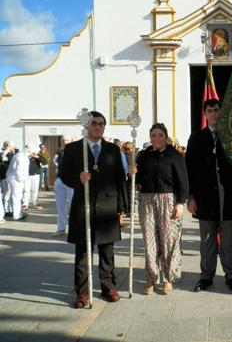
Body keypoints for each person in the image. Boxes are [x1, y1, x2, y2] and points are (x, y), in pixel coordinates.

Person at [60, 111, 128, 308]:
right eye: (94, 123)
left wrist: (122, 208)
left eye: (101, 124)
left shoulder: (113, 149)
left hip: (108, 207)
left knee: (107, 251)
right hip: (83, 206)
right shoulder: (73, 149)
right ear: (87, 125)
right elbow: (64, 175)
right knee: (83, 252)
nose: (98, 126)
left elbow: (119, 179)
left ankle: (108, 287)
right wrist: (78, 179)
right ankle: (82, 293)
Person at [186, 99, 232, 293]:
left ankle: (231, 275)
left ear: (222, 112)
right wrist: (190, 197)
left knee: (228, 242)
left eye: (217, 110)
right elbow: (189, 170)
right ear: (205, 114)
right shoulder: (196, 138)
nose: (214, 114)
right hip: (205, 199)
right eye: (210, 111)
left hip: (228, 198)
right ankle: (206, 276)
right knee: (207, 241)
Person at [134, 123, 189, 295]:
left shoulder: (175, 156)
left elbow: (183, 181)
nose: (156, 138)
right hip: (147, 201)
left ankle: (168, 278)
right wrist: (132, 173)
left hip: (169, 201)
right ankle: (151, 277)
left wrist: (181, 203)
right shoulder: (143, 155)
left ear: (165, 137)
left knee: (168, 240)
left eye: (160, 135)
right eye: (153, 135)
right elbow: (136, 182)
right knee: (149, 241)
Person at [53, 135, 74, 236]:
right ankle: (61, 229)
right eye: (63, 140)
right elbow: (56, 164)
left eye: (67, 140)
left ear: (71, 141)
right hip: (60, 180)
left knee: (72, 206)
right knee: (60, 206)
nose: (65, 141)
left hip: (71, 182)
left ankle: (74, 230)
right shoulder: (59, 152)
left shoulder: (76, 151)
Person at [6, 144, 34, 221]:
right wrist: (22, 180)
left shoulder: (23, 156)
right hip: (15, 178)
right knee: (16, 196)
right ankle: (16, 215)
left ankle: (18, 212)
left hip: (15, 178)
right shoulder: (21, 157)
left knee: (17, 196)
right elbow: (18, 170)